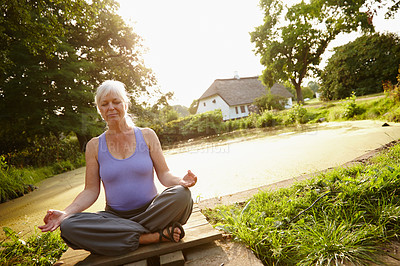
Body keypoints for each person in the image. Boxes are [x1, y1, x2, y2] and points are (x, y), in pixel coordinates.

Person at [39, 80, 197, 256]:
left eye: (116, 102)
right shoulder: (94, 146)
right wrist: (65, 213)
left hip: (152, 211)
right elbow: (91, 190)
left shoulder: (147, 135)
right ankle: (150, 236)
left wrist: (180, 181)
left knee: (182, 195)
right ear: (100, 110)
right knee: (69, 226)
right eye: (104, 104)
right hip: (115, 218)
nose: (111, 108)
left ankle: (125, 235)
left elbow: (164, 174)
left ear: (126, 105)